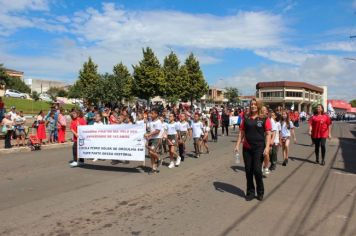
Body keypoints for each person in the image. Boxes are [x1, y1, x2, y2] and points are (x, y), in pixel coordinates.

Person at [235, 99, 271, 201]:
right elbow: (241, 132)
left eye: (255, 104)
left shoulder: (264, 118)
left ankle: (260, 191)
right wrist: (237, 144)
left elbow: (268, 134)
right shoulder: (245, 118)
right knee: (248, 170)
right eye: (251, 104)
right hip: (247, 148)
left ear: (258, 106)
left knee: (257, 170)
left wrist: (267, 147)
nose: (253, 106)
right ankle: (250, 191)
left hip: (259, 148)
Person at [144, 109, 163, 174]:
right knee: (151, 154)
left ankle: (159, 159)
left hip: (156, 138)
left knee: (151, 151)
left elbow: (157, 131)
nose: (150, 115)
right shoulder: (150, 121)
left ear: (156, 114)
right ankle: (153, 168)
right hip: (151, 139)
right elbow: (148, 129)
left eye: (152, 113)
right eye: (150, 113)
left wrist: (149, 134)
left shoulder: (158, 122)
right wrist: (147, 136)